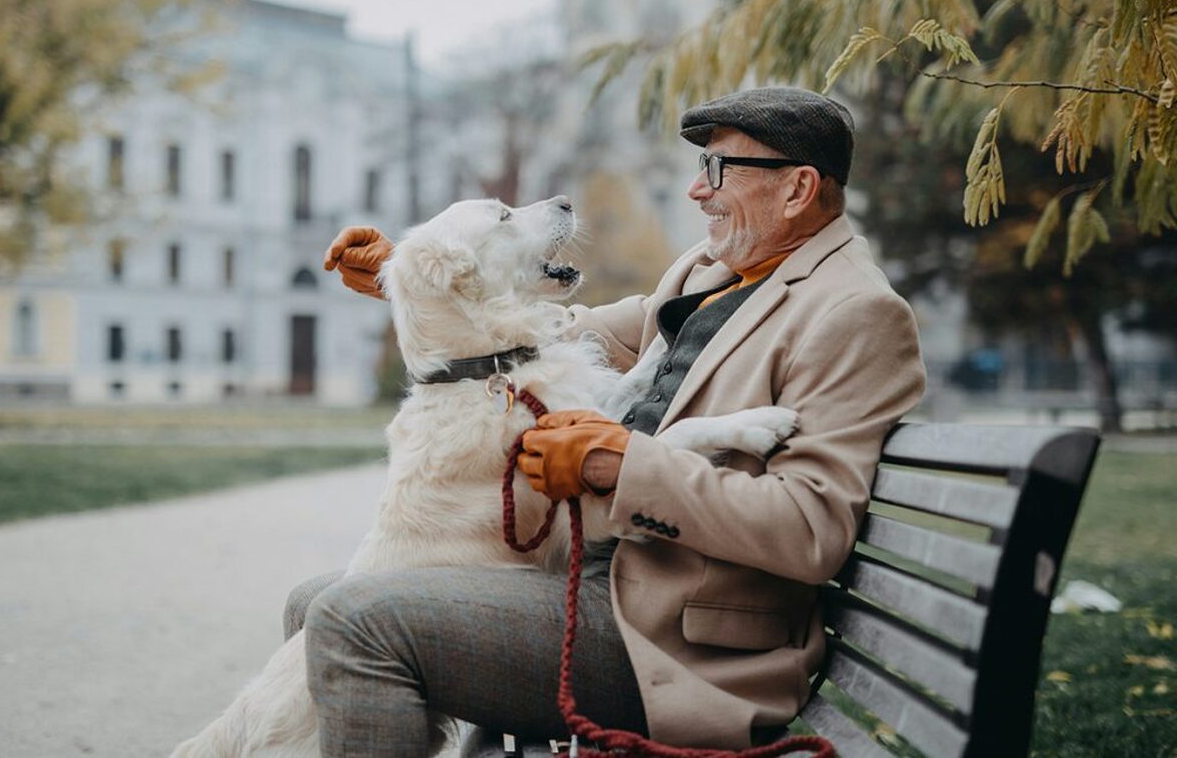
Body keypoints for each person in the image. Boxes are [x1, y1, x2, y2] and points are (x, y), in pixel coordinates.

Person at [296, 87, 926, 754]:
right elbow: (565, 333)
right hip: (595, 582)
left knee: (350, 620)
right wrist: (433, 278)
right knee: (313, 604)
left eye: (717, 170)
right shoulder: (713, 271)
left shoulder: (854, 311)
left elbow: (809, 529)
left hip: (671, 644)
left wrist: (622, 465)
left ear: (797, 188)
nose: (695, 190)